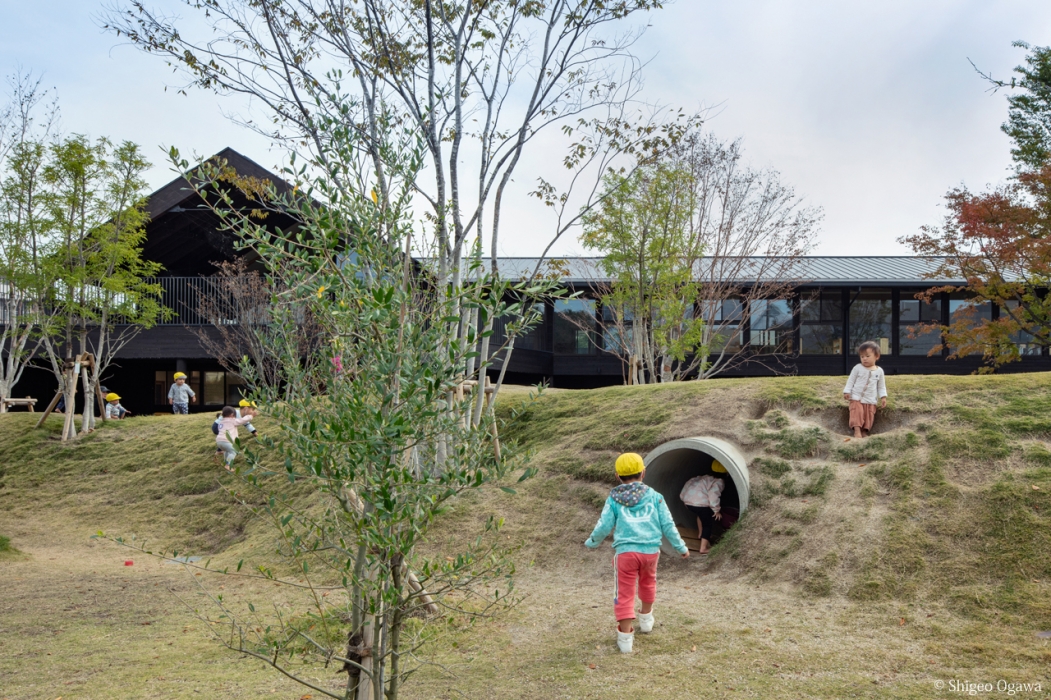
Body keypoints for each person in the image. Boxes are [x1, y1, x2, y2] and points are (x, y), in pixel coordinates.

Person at [585, 452, 689, 654]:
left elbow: (604, 525)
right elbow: (667, 525)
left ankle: (625, 639)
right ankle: (646, 619)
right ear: (644, 472)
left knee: (624, 593)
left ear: (617, 476)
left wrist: (593, 541)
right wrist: (681, 547)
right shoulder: (656, 497)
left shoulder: (613, 499)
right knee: (648, 582)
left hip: (625, 553)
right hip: (650, 552)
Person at [679, 461, 727, 555]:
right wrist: (716, 510)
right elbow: (713, 495)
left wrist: (683, 497)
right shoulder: (719, 481)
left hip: (688, 502)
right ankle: (703, 548)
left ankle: (700, 534)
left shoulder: (703, 477)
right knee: (707, 524)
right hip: (700, 504)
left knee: (701, 515)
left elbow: (688, 482)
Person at [843, 341, 888, 438]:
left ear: (877, 356)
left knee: (869, 416)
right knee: (857, 412)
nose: (864, 359)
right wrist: (847, 391)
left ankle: (864, 431)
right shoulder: (857, 368)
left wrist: (883, 397)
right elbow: (851, 380)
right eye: (862, 356)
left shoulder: (879, 371)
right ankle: (857, 431)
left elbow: (881, 386)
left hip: (870, 399)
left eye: (867, 356)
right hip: (856, 397)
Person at [214, 405, 258, 470]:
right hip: (226, 440)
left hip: (219, 441)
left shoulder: (221, 422)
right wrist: (251, 416)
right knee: (233, 452)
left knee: (227, 451)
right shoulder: (232, 421)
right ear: (232, 415)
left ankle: (226, 462)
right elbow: (242, 420)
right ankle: (228, 465)